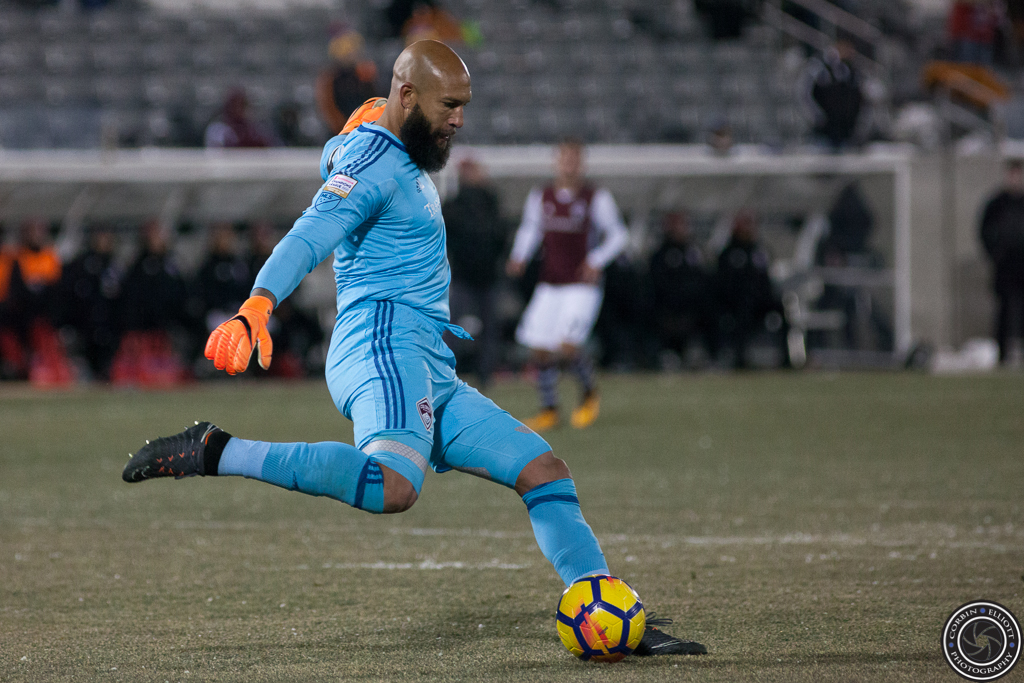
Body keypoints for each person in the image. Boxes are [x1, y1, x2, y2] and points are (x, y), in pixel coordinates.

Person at [122, 40, 705, 658]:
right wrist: (257, 305)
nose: (459, 119)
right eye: (450, 105)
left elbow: (359, 138)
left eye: (465, 105)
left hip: (425, 357)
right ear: (408, 97)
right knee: (395, 484)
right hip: (380, 340)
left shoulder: (394, 137)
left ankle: (605, 609)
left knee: (544, 471)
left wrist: (365, 123)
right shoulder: (373, 160)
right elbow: (311, 232)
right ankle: (218, 451)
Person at [505, 139, 628, 432]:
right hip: (550, 282)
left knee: (568, 345)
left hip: (581, 285)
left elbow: (619, 235)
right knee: (539, 349)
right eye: (564, 159)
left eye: (574, 159)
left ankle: (588, 393)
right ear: (556, 162)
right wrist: (519, 256)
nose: (569, 165)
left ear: (581, 164)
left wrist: (596, 260)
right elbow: (530, 229)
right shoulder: (542, 195)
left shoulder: (595, 197)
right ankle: (549, 410)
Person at [441, 156, 508, 387]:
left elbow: (500, 234)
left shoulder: (489, 201)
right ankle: (448, 370)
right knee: (454, 327)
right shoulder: (458, 204)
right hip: (465, 275)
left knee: (487, 328)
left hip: (484, 274)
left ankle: (485, 372)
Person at [715, 210, 788, 369]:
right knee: (742, 312)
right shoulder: (729, 253)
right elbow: (724, 284)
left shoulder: (760, 251)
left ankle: (788, 358)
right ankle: (740, 359)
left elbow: (766, 279)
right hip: (738, 303)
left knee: (782, 308)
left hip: (760, 301)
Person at [649, 212, 716, 367]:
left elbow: (703, 279)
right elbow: (657, 284)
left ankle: (711, 354)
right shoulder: (660, 255)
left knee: (712, 311)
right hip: (669, 307)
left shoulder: (694, 252)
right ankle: (666, 353)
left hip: (693, 306)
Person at [59, 224, 123, 380]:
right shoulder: (81, 264)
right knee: (86, 365)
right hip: (85, 325)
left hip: (109, 325)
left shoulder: (115, 265)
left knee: (108, 366)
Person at [980, 160, 1024, 365]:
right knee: (1004, 310)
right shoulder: (997, 203)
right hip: (1005, 266)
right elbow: (984, 232)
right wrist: (995, 254)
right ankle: (1002, 355)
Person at [801, 40, 864, 150]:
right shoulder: (818, 66)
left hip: (845, 129)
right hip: (824, 129)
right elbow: (804, 94)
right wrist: (817, 117)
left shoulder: (850, 69)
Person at [204, 88, 279, 149]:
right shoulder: (217, 128)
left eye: (242, 105)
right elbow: (219, 153)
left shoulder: (253, 128)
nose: (238, 109)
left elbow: (268, 147)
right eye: (234, 106)